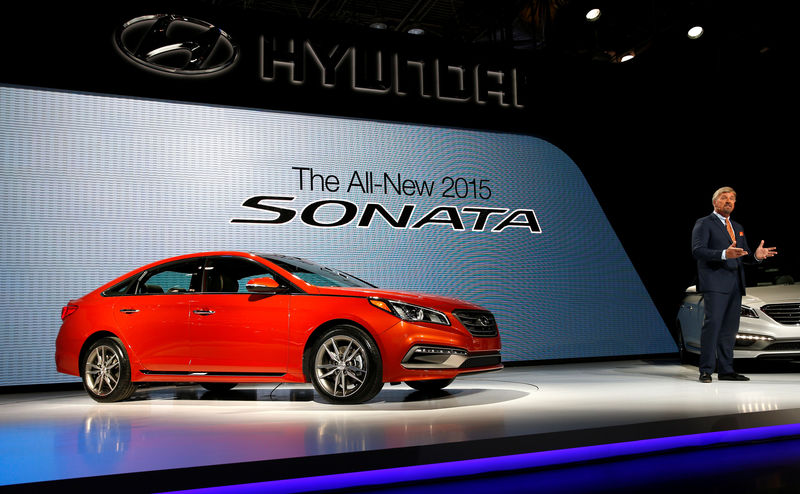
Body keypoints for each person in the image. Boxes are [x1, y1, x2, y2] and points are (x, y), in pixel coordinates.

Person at [691, 186, 777, 383]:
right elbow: (698, 251)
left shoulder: (737, 227)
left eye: (732, 198)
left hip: (735, 284)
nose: (729, 201)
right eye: (724, 198)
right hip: (715, 283)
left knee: (730, 329)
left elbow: (742, 255)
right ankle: (706, 370)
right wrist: (723, 254)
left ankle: (726, 370)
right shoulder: (704, 223)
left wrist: (756, 256)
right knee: (713, 326)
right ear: (715, 202)